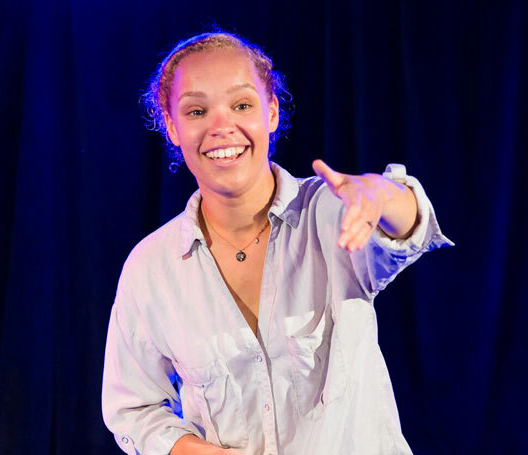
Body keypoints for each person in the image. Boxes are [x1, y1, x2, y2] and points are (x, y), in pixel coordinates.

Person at [101, 31, 452, 455]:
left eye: (242, 105)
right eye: (197, 110)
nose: (220, 126)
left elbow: (409, 226)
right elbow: (133, 409)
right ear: (173, 126)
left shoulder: (326, 213)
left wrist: (380, 193)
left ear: (271, 113)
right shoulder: (151, 268)